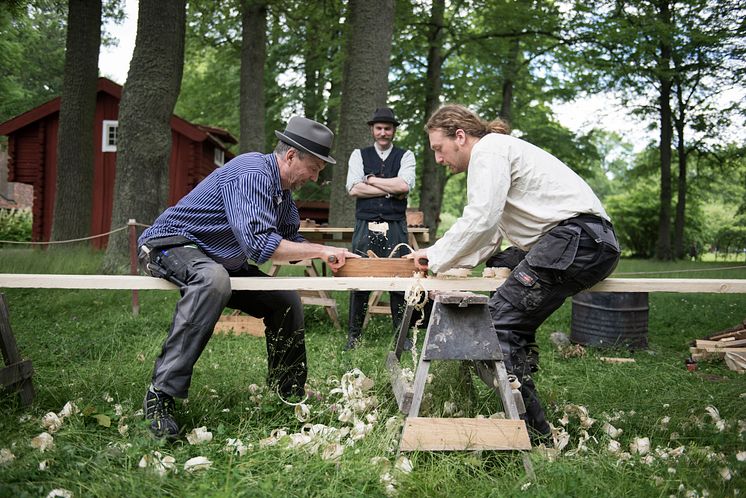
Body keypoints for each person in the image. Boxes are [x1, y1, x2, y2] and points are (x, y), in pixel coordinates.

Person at [408, 104, 620, 442]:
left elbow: (481, 218)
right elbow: (489, 235)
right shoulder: (496, 153)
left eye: (438, 148)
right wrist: (451, 268)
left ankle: (535, 435)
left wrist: (433, 257)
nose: (438, 158)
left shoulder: (489, 150)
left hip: (577, 240)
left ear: (460, 136)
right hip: (579, 240)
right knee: (503, 297)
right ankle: (519, 378)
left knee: (493, 329)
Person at [138, 116, 357, 439]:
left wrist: (329, 254)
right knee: (212, 280)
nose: (314, 177)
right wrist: (318, 251)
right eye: (314, 168)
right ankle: (160, 395)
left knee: (284, 299)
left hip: (218, 257)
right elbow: (260, 245)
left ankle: (289, 390)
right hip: (170, 244)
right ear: (291, 156)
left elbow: (291, 243)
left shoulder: (283, 196)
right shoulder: (251, 172)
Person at [344, 107, 417, 350]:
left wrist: (372, 180)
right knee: (359, 278)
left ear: (394, 130)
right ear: (372, 130)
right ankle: (354, 335)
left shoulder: (406, 156)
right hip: (365, 224)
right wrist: (391, 188)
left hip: (395, 224)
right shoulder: (358, 154)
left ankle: (402, 335)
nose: (383, 132)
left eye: (388, 128)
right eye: (379, 128)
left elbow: (405, 185)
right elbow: (353, 189)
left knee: (400, 278)